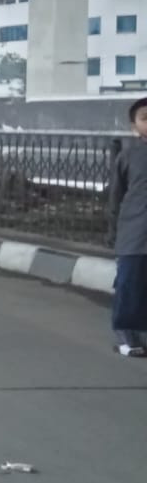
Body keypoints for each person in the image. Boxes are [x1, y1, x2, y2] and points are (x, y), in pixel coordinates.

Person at [109, 96, 147, 357]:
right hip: (136, 233)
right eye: (145, 118)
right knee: (129, 284)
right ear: (134, 126)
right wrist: (114, 233)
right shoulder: (128, 156)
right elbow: (115, 196)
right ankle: (126, 334)